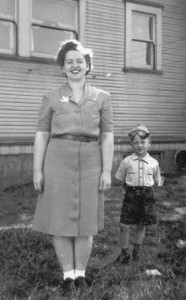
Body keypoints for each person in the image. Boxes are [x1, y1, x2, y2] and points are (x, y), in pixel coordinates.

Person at [32, 39, 114, 297]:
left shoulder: (102, 97)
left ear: (88, 65)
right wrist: (37, 170)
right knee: (59, 221)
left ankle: (81, 275)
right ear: (62, 68)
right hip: (57, 161)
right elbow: (42, 135)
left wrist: (106, 170)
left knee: (86, 222)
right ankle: (68, 275)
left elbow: (108, 136)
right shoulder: (51, 97)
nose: (75, 65)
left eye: (80, 61)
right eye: (69, 62)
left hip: (91, 161)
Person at [115, 124, 162, 263]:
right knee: (124, 225)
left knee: (141, 225)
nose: (139, 145)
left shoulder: (154, 163)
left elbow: (156, 180)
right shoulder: (126, 161)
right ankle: (125, 253)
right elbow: (121, 179)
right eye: (136, 142)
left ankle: (136, 252)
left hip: (147, 196)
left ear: (149, 143)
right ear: (131, 144)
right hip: (131, 195)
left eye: (143, 142)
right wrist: (130, 190)